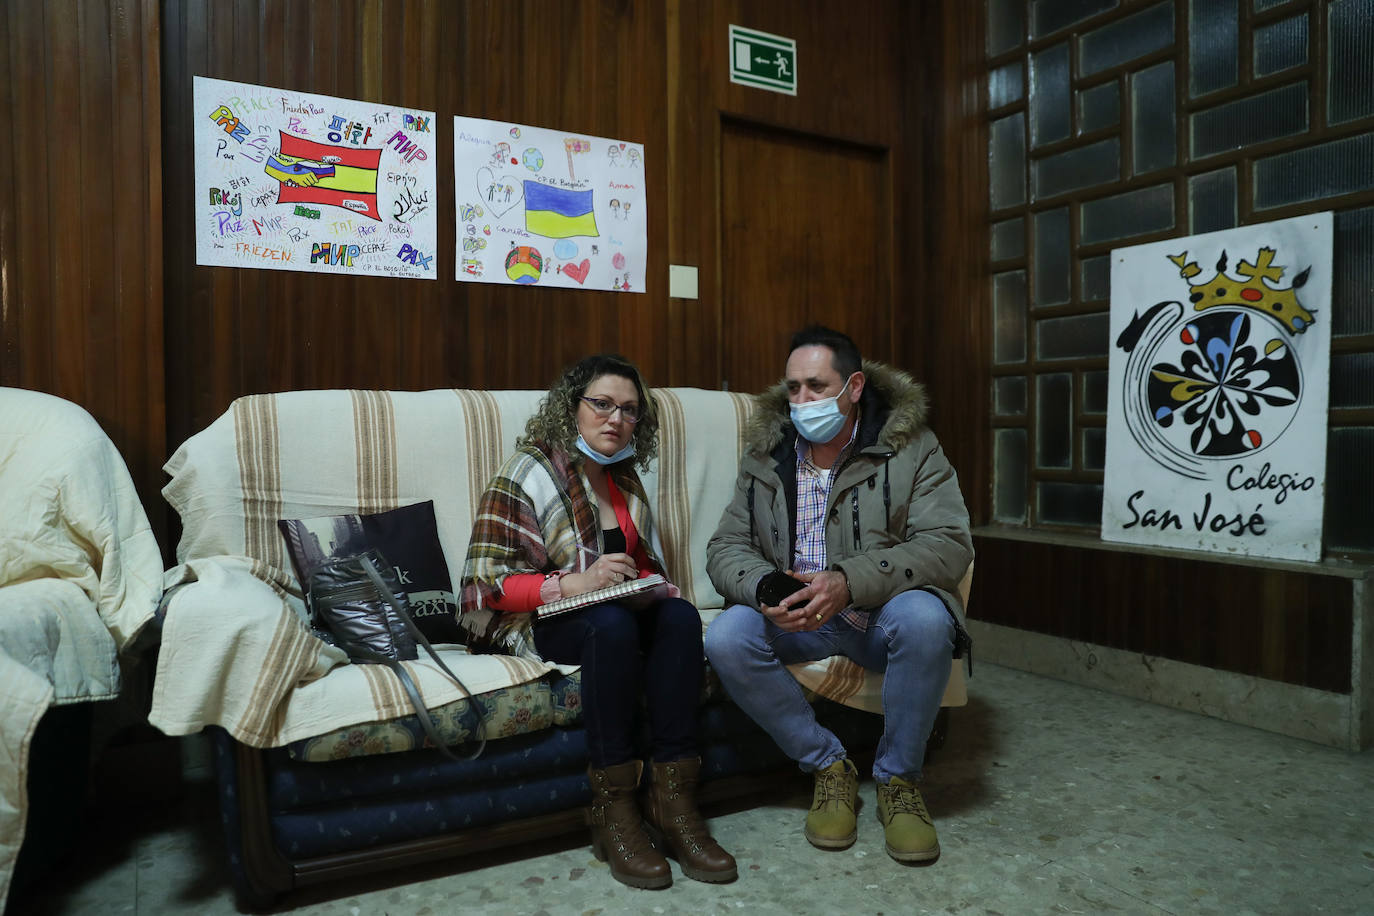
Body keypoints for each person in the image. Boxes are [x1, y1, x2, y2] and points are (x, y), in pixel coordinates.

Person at [459, 354, 736, 890]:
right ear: (572, 407)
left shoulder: (623, 479)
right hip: (535, 618)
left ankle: (673, 801)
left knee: (677, 617)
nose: (616, 419)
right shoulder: (527, 472)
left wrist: (646, 587)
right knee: (610, 627)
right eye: (602, 404)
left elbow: (645, 565)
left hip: (612, 614)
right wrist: (574, 584)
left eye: (630, 410)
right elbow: (486, 587)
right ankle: (614, 811)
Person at [703, 326, 973, 863]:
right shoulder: (767, 456)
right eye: (793, 388)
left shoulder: (910, 448)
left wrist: (848, 582)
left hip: (877, 615)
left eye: (816, 387)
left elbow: (948, 545)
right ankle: (828, 766)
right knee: (728, 635)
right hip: (796, 619)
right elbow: (726, 545)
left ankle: (899, 782)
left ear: (852, 387)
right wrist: (765, 587)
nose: (801, 401)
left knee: (925, 619)